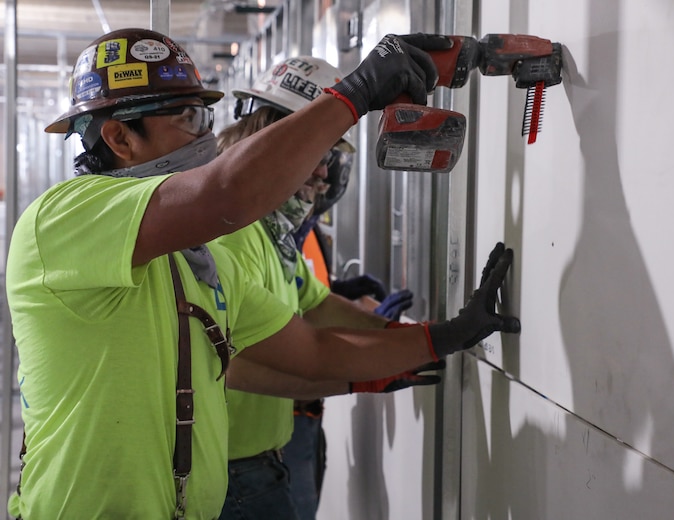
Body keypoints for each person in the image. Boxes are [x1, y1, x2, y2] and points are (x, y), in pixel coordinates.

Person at [5, 28, 520, 519]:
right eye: (188, 118)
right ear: (119, 136)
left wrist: (444, 337)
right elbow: (225, 194)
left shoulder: (199, 264)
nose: (207, 137)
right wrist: (357, 94)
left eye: (206, 118)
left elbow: (313, 351)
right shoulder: (64, 220)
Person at [215, 56, 419, 520]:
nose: (325, 176)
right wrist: (386, 359)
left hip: (266, 451)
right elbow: (242, 366)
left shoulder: (271, 230)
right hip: (231, 466)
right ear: (277, 142)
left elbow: (316, 302)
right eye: (319, 155)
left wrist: (396, 337)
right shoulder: (231, 234)